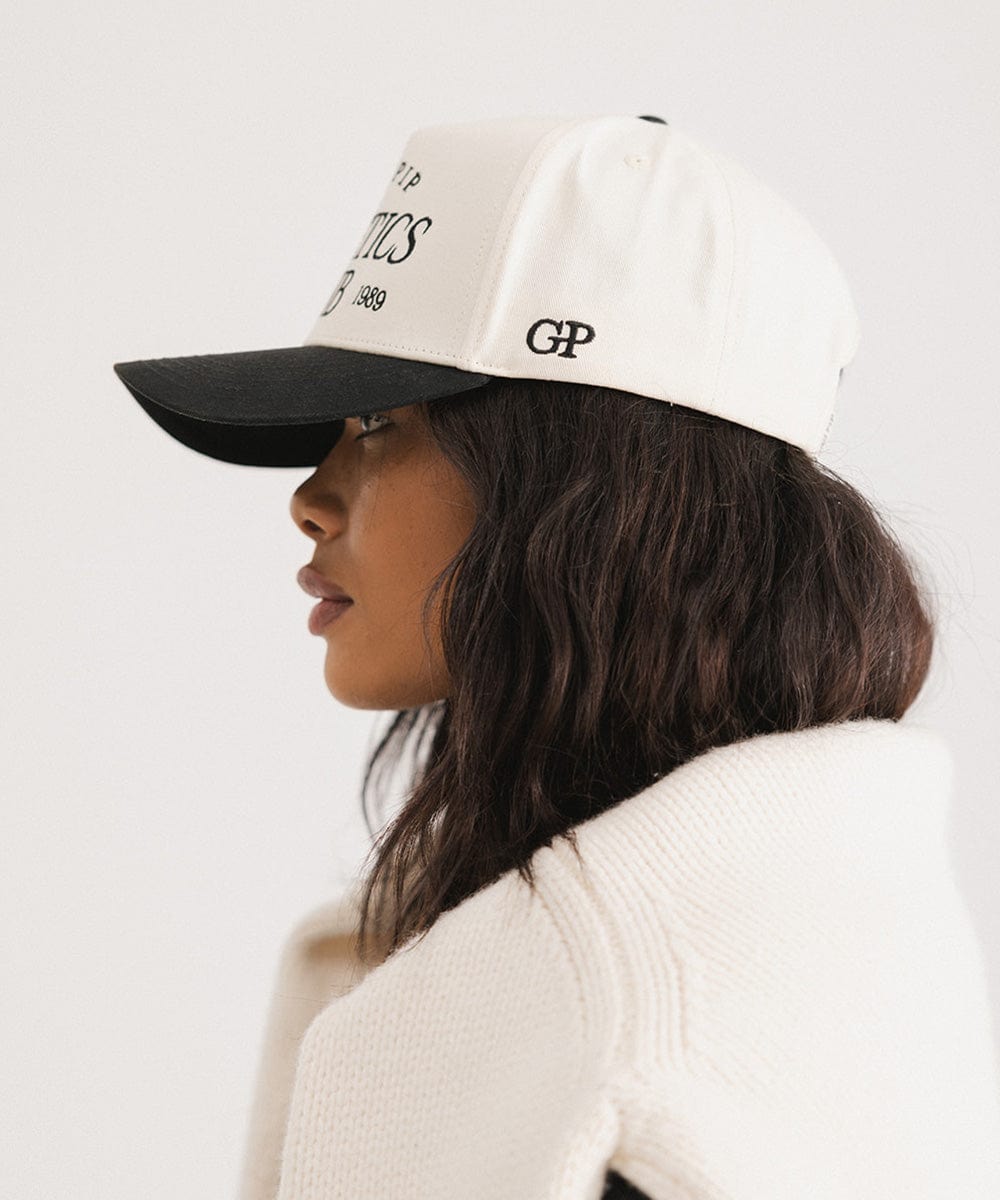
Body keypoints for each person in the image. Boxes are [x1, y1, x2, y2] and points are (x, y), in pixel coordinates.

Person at [112, 114, 1000, 1199]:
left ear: (588, 484)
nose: (308, 500)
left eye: (378, 420)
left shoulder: (653, 1033)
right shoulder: (788, 933)